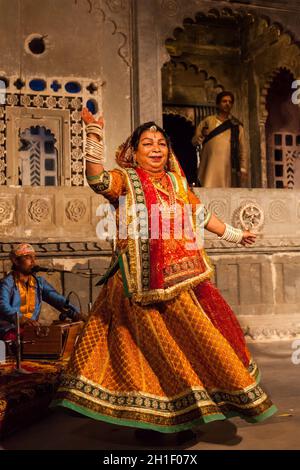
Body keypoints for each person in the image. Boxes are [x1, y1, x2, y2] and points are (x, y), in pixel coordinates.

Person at [52, 109, 277, 438]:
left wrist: (235, 234)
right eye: (147, 143)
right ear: (135, 152)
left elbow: (200, 214)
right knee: (143, 352)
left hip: (180, 283)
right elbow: (97, 179)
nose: (156, 148)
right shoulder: (126, 180)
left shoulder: (177, 182)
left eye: (161, 143)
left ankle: (182, 413)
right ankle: (150, 419)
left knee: (186, 349)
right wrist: (93, 136)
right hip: (137, 286)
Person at [0, 243, 80, 340]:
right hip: (9, 330)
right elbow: (3, 305)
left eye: (34, 257)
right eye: (28, 258)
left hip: (31, 330)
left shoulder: (38, 283)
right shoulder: (7, 283)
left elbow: (58, 300)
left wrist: (76, 314)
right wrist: (21, 319)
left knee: (59, 336)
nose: (33, 261)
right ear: (16, 261)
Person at [192, 91, 248, 188]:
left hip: (228, 167)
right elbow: (194, 141)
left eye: (230, 102)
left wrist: (243, 168)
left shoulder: (236, 126)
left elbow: (242, 149)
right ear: (218, 104)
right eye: (224, 101)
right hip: (210, 165)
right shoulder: (208, 121)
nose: (227, 104)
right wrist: (202, 134)